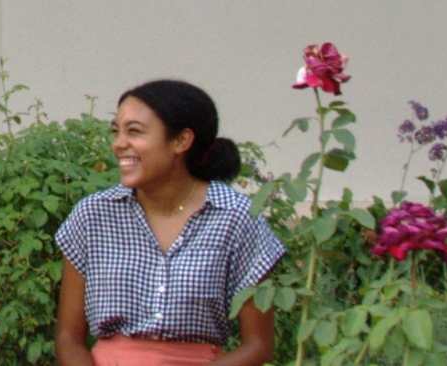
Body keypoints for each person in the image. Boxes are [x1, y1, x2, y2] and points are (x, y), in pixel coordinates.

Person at [54, 80, 285, 366]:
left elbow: (258, 344)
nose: (119, 144)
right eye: (116, 132)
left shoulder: (236, 218)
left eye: (134, 131)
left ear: (181, 141)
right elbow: (68, 339)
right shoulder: (92, 216)